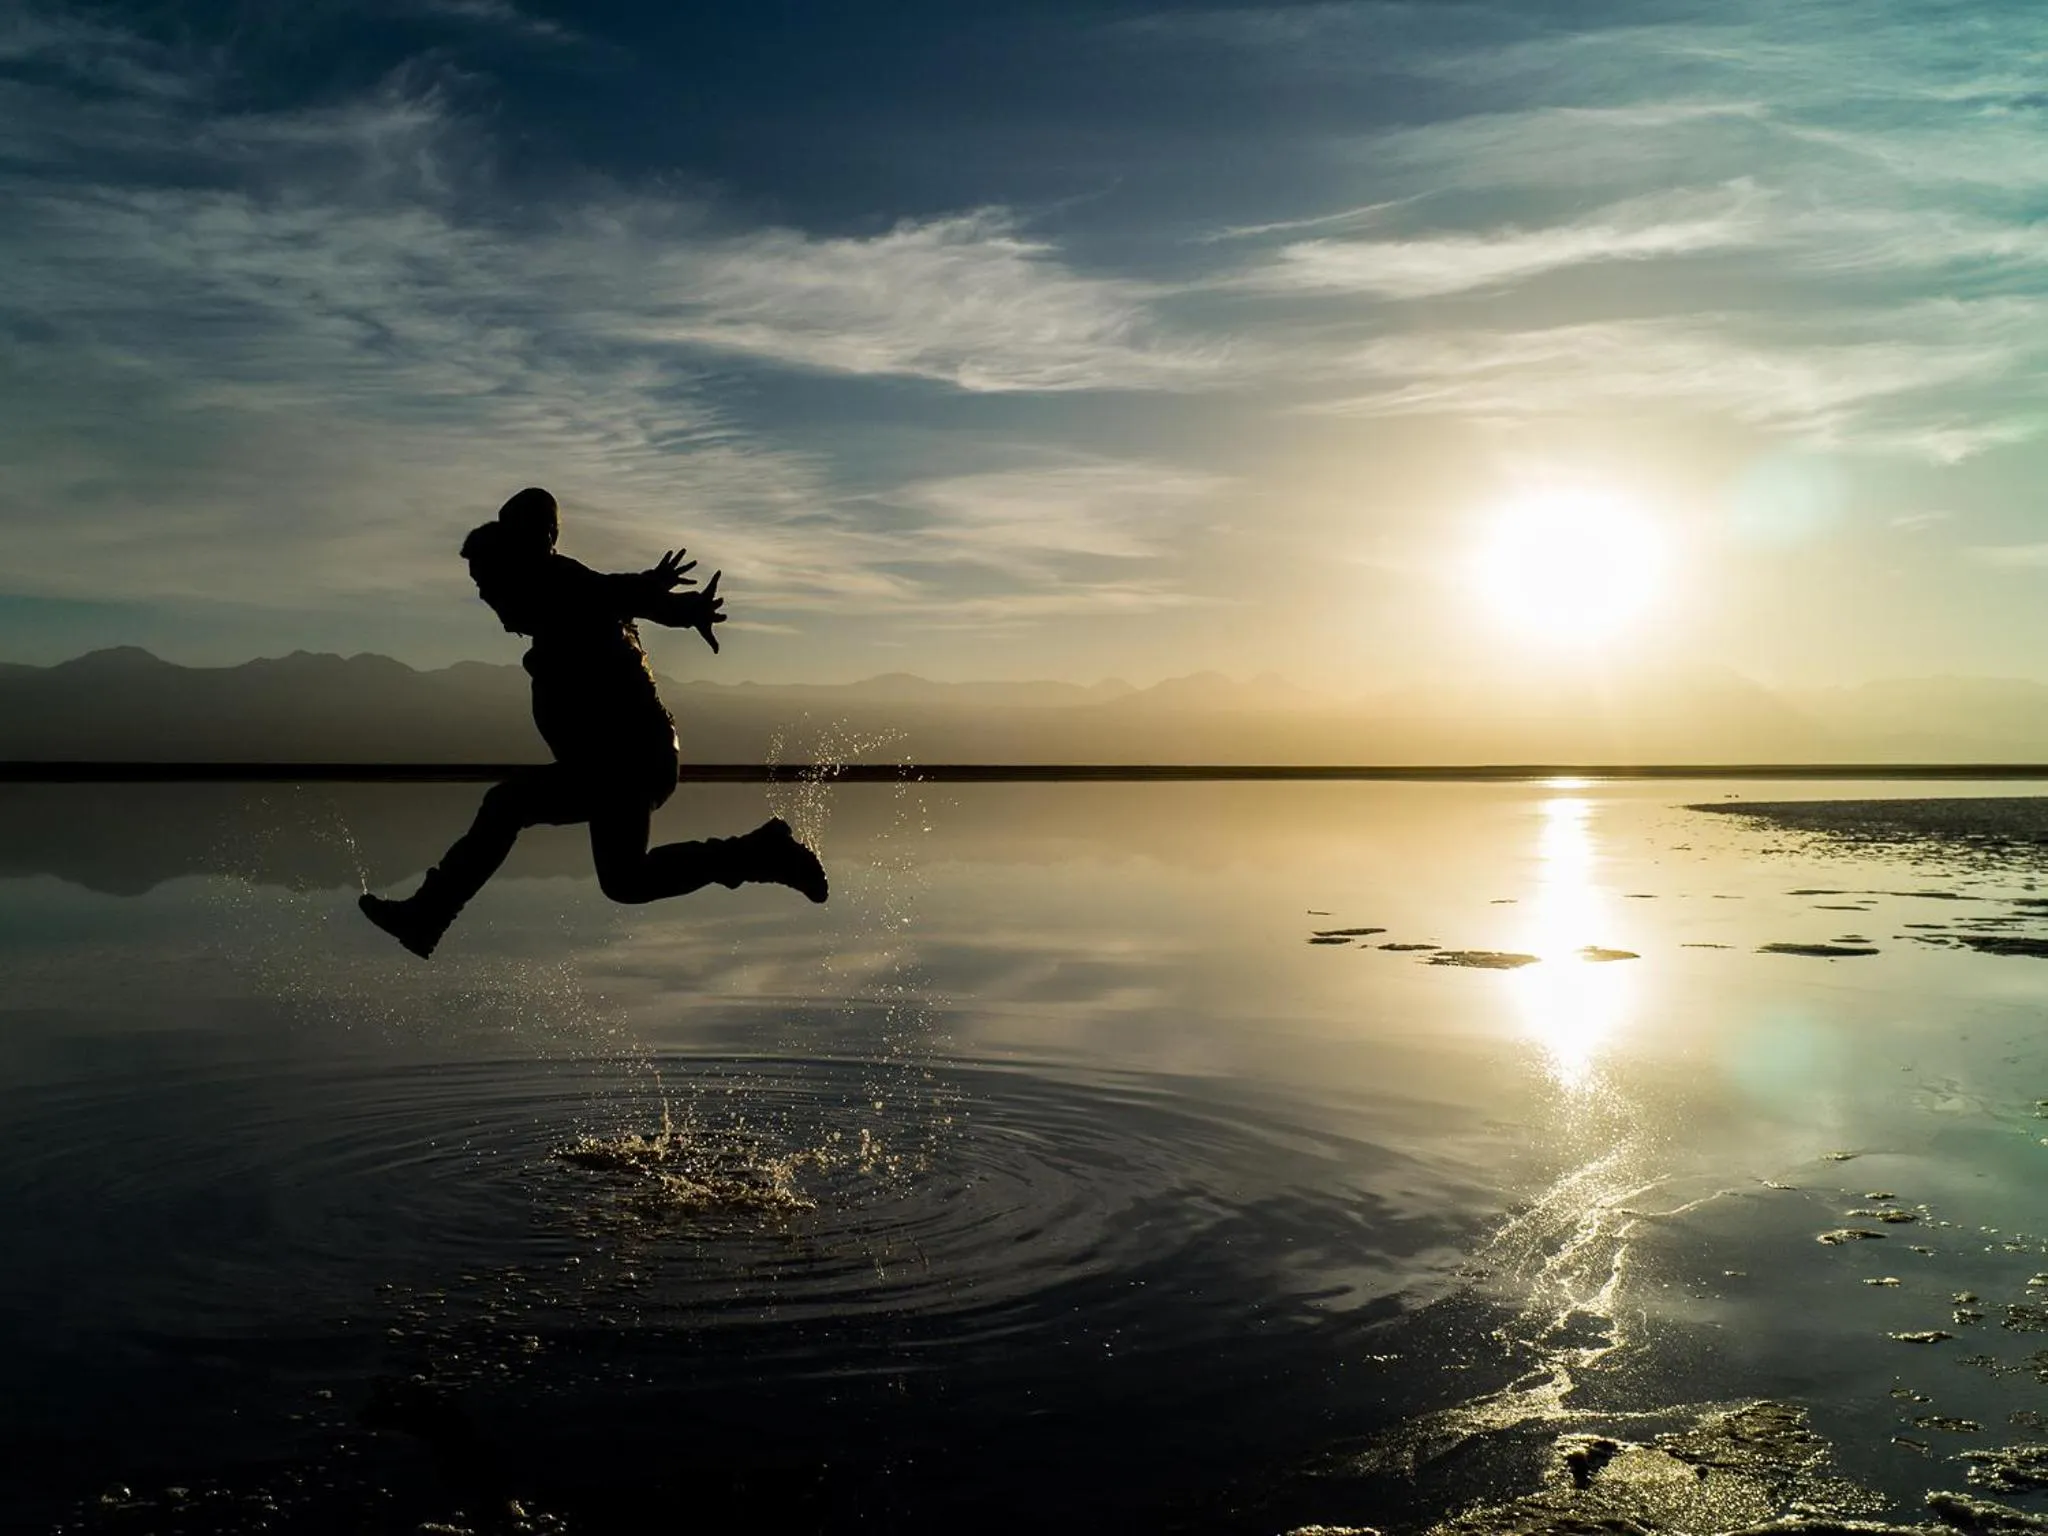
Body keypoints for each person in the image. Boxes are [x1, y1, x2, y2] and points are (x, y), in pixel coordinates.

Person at [359, 487, 826, 958]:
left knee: (509, 806)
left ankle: (427, 917)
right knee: (624, 879)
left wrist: (672, 602)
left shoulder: (560, 589)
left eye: (487, 581)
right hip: (616, 765)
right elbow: (618, 597)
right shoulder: (559, 612)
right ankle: (762, 852)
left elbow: (610, 592)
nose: (485, 595)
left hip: (629, 760)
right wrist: (673, 606)